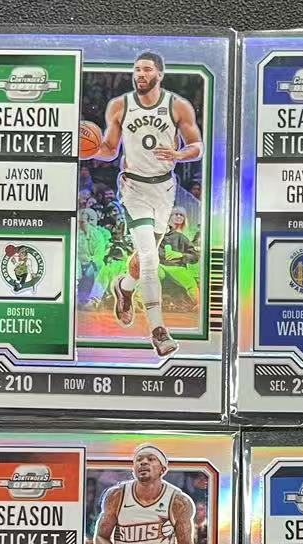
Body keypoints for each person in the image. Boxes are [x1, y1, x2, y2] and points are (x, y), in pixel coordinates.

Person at [91, 52, 203, 357]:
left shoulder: (178, 105)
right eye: (137, 69)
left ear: (160, 74)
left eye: (147, 69)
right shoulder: (120, 105)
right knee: (150, 258)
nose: (140, 74)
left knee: (142, 262)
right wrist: (87, 149)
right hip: (134, 189)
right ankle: (158, 331)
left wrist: (179, 154)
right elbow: (109, 150)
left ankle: (124, 287)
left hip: (164, 189)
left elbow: (197, 146)